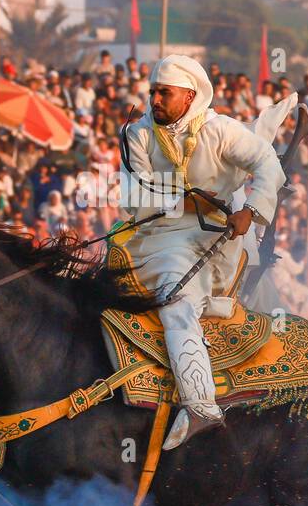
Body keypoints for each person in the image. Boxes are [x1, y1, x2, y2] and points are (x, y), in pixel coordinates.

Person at [119, 54, 283, 449]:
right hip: (152, 233)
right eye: (153, 92)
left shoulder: (221, 130)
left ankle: (200, 405)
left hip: (212, 240)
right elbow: (135, 196)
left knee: (175, 298)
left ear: (190, 96)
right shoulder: (137, 134)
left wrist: (250, 210)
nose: (154, 100)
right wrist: (189, 199)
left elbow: (268, 163)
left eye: (164, 93)